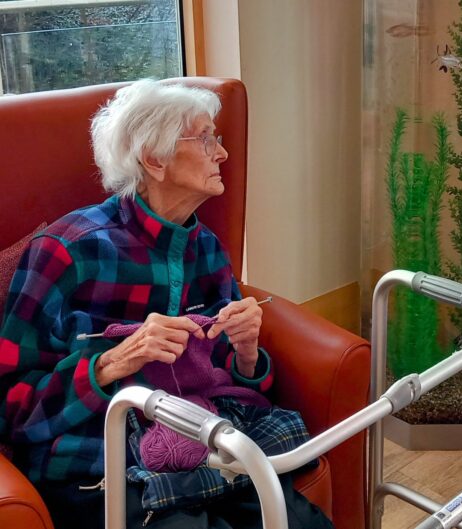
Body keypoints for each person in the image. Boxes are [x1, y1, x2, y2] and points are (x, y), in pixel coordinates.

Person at [0, 80, 332, 529]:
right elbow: (12, 408)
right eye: (206, 138)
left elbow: (232, 379)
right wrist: (114, 361)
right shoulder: (67, 251)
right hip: (99, 458)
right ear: (154, 159)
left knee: (301, 523)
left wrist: (248, 353)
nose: (224, 154)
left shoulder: (207, 249)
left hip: (200, 443)